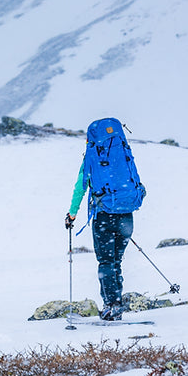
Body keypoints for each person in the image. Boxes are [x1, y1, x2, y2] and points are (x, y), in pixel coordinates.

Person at [65, 118, 144, 321]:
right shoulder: (122, 155)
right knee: (116, 261)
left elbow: (80, 187)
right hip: (126, 215)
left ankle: (112, 304)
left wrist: (72, 214)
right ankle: (116, 302)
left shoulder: (92, 158)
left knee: (106, 262)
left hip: (104, 217)